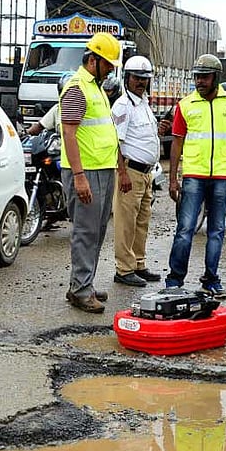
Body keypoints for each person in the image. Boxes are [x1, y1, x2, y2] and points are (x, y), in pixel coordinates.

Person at [165, 53, 226, 298]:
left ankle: (211, 279)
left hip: (222, 176)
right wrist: (172, 178)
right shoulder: (185, 105)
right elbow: (176, 143)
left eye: (204, 77)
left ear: (216, 77)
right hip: (193, 175)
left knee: (217, 230)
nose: (199, 81)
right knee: (185, 228)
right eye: (197, 77)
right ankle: (175, 279)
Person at [60, 32, 123, 314]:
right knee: (86, 232)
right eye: (108, 63)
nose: (111, 69)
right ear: (93, 59)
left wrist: (119, 168)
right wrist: (79, 176)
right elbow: (69, 135)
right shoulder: (77, 87)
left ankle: (83, 283)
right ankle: (81, 289)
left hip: (103, 168)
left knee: (97, 231)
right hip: (87, 172)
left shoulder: (96, 86)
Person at [111, 55, 164, 287]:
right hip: (130, 172)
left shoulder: (144, 103)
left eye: (144, 79)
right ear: (127, 78)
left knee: (142, 221)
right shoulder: (123, 105)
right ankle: (124, 269)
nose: (140, 82)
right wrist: (122, 173)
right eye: (136, 78)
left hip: (146, 173)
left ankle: (138, 264)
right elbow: (116, 142)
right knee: (126, 222)